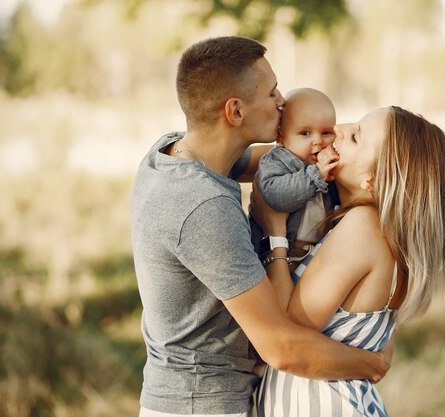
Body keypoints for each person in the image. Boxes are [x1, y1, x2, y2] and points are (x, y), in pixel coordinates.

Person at [130, 36, 392, 417]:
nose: (282, 101)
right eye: (272, 93)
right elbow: (280, 347)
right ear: (235, 111)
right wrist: (371, 364)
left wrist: (324, 143)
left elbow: (282, 162)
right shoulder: (205, 205)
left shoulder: (172, 152)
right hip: (203, 405)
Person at [251, 106, 445, 416]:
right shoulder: (389, 236)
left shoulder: (363, 228)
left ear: (373, 181)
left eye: (355, 137)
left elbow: (286, 332)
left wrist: (274, 233)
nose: (339, 129)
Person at [249, 87, 340, 265]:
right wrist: (316, 176)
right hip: (278, 257)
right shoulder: (276, 161)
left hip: (314, 257)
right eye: (305, 133)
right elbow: (277, 196)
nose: (318, 141)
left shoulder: (327, 163)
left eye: (326, 132)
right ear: (281, 138)